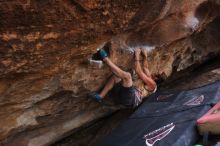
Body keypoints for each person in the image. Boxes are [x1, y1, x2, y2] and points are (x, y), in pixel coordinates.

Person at [90, 48, 157, 108]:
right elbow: (145, 68)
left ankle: (105, 58)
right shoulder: (150, 81)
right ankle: (100, 96)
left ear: (156, 79)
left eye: (156, 75)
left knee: (127, 76)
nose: (154, 74)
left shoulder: (153, 85)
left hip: (131, 99)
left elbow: (138, 71)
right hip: (125, 97)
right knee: (116, 77)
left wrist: (137, 55)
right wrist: (145, 55)